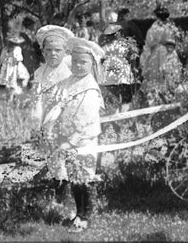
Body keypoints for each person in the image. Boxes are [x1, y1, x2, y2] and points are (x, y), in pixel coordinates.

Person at [40, 37, 104, 233]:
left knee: (83, 177)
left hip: (83, 139)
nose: (77, 65)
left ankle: (85, 216)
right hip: (67, 139)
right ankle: (78, 211)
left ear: (92, 64)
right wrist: (48, 125)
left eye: (83, 62)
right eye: (74, 61)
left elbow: (86, 118)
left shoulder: (90, 88)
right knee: (74, 177)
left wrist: (72, 140)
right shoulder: (68, 82)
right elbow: (58, 104)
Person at [31, 25, 74, 126]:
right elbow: (36, 99)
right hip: (42, 112)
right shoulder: (39, 72)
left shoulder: (68, 74)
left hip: (60, 116)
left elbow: (66, 101)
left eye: (58, 50)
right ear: (43, 52)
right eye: (49, 50)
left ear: (66, 52)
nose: (53, 53)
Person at [98, 22, 139, 110]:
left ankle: (120, 109)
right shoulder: (122, 46)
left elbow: (101, 58)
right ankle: (122, 108)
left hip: (116, 72)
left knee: (118, 90)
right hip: (117, 72)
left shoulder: (107, 47)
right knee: (121, 91)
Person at [0, 34, 30, 102]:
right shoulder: (5, 49)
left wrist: (12, 59)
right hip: (8, 67)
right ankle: (10, 97)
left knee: (14, 82)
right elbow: (2, 58)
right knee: (8, 83)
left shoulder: (17, 49)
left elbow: (19, 58)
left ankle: (13, 97)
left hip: (15, 66)